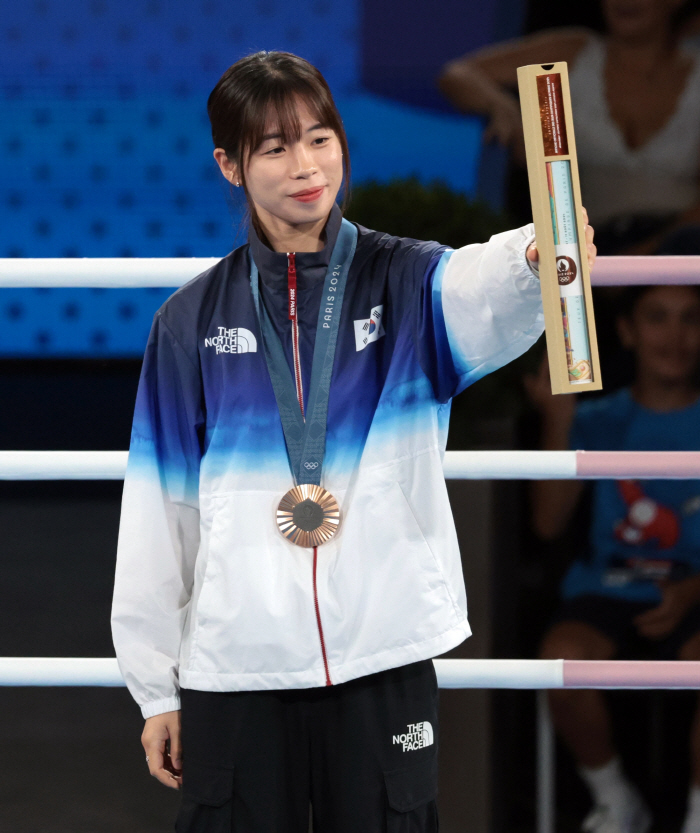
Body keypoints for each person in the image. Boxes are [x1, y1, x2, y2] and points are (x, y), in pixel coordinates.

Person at [110, 50, 595, 832]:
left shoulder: (407, 283)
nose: (306, 166)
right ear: (230, 166)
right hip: (236, 665)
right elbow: (157, 514)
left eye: (321, 137)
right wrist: (156, 689)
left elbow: (482, 285)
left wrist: (537, 257)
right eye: (275, 147)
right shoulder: (188, 322)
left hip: (382, 653)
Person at [526, 284, 700, 833]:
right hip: (607, 587)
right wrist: (558, 418)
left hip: (695, 590)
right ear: (626, 331)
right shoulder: (597, 418)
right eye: (657, 318)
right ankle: (616, 801)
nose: (674, 336)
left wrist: (692, 592)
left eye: (690, 319)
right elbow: (548, 523)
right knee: (562, 660)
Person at [438, 0, 700, 256]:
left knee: (673, 291)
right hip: (585, 244)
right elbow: (458, 74)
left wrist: (646, 254)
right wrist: (503, 107)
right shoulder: (574, 52)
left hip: (680, 241)